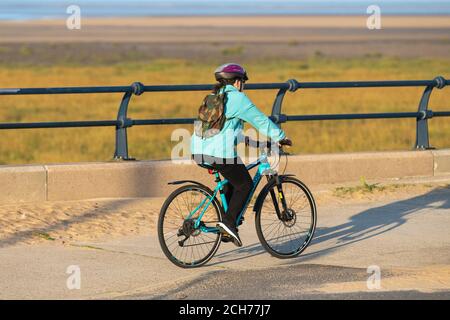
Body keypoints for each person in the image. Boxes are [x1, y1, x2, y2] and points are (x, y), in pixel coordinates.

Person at [191, 63, 291, 247]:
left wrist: (257, 143)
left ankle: (226, 225)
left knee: (232, 182)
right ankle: (228, 223)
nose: (243, 85)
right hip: (219, 153)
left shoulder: (214, 98)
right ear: (237, 82)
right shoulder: (238, 99)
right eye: (243, 81)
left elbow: (229, 132)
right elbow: (260, 120)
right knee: (244, 184)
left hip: (198, 151)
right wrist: (281, 137)